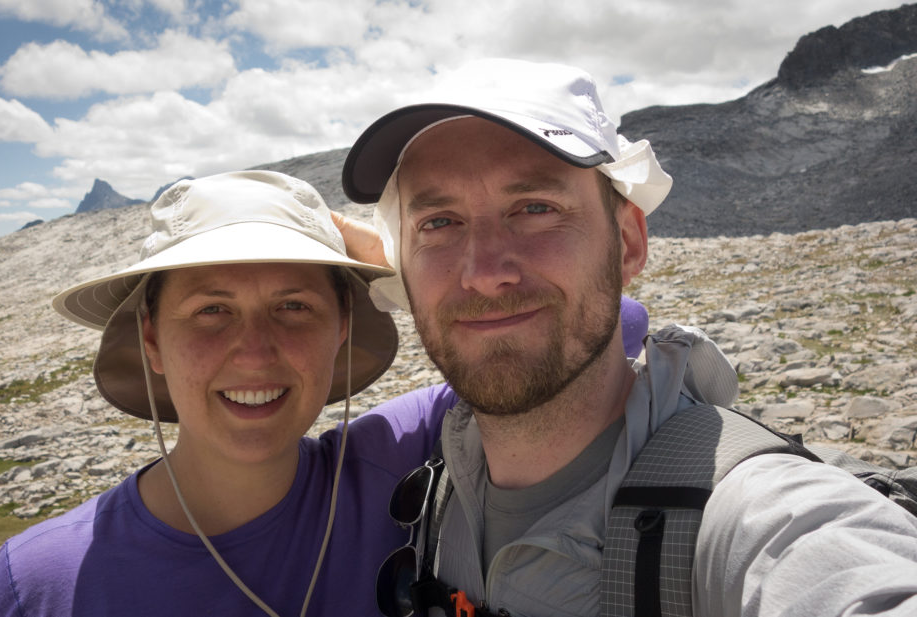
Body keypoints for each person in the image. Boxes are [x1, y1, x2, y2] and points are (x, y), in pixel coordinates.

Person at [338, 59, 917, 616]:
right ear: (405, 269)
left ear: (629, 243)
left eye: (535, 207)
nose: (485, 271)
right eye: (438, 223)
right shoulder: (438, 489)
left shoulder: (758, 515)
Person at [0, 170, 451, 617]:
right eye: (211, 310)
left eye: (294, 306)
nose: (255, 354)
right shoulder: (38, 584)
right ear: (151, 339)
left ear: (341, 325)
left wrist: (407, 275)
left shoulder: (400, 462)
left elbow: (514, 374)